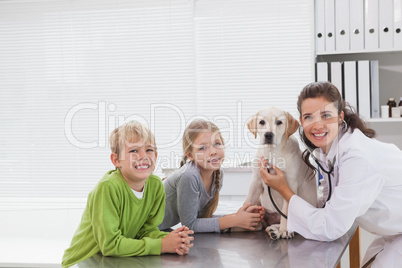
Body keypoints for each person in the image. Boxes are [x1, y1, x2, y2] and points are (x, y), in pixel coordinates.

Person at [259, 82, 402, 266]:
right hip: (393, 233)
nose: (317, 125)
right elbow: (328, 206)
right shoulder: (327, 151)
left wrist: (283, 189)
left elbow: (331, 227)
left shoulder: (357, 157)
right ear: (301, 122)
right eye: (309, 117)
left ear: (340, 117)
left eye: (326, 115)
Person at [62, 121, 194, 268]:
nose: (143, 156)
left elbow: (146, 231)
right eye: (134, 151)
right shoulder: (108, 188)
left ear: (156, 156)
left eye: (149, 150)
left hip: (118, 261)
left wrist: (173, 240)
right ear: (116, 160)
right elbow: (110, 245)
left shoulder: (155, 186)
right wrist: (161, 245)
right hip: (85, 262)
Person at [159, 119, 264, 233]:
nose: (213, 151)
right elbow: (190, 225)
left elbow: (201, 219)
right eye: (203, 148)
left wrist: (240, 217)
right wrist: (234, 220)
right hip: (140, 228)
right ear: (190, 155)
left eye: (217, 144)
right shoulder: (189, 177)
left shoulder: (217, 174)